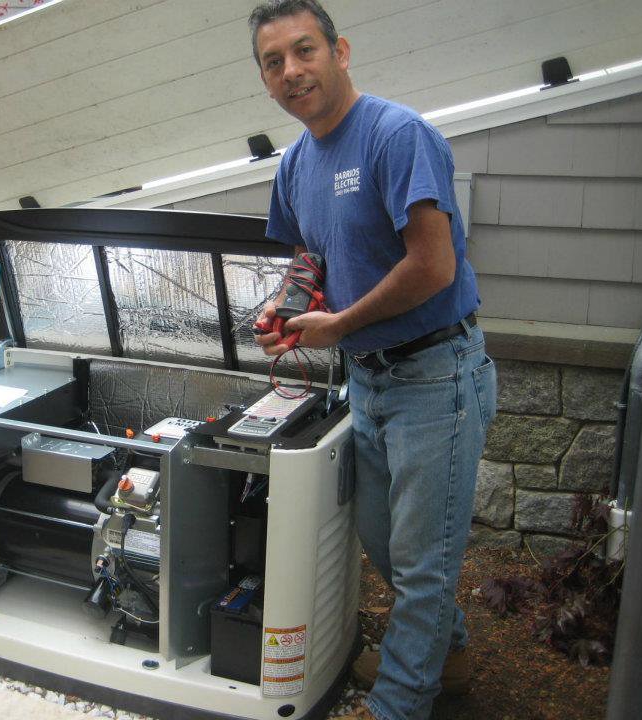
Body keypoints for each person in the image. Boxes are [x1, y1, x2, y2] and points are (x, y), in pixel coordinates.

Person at [248, 2, 497, 719]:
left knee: (422, 567)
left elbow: (435, 265)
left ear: (340, 51)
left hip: (436, 375)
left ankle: (398, 700)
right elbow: (307, 257)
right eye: (274, 62)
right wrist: (287, 311)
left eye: (304, 51)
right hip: (369, 380)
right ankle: (446, 656)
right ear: (264, 81)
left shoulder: (397, 136)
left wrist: (340, 326)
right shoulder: (296, 162)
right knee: (386, 546)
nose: (292, 71)